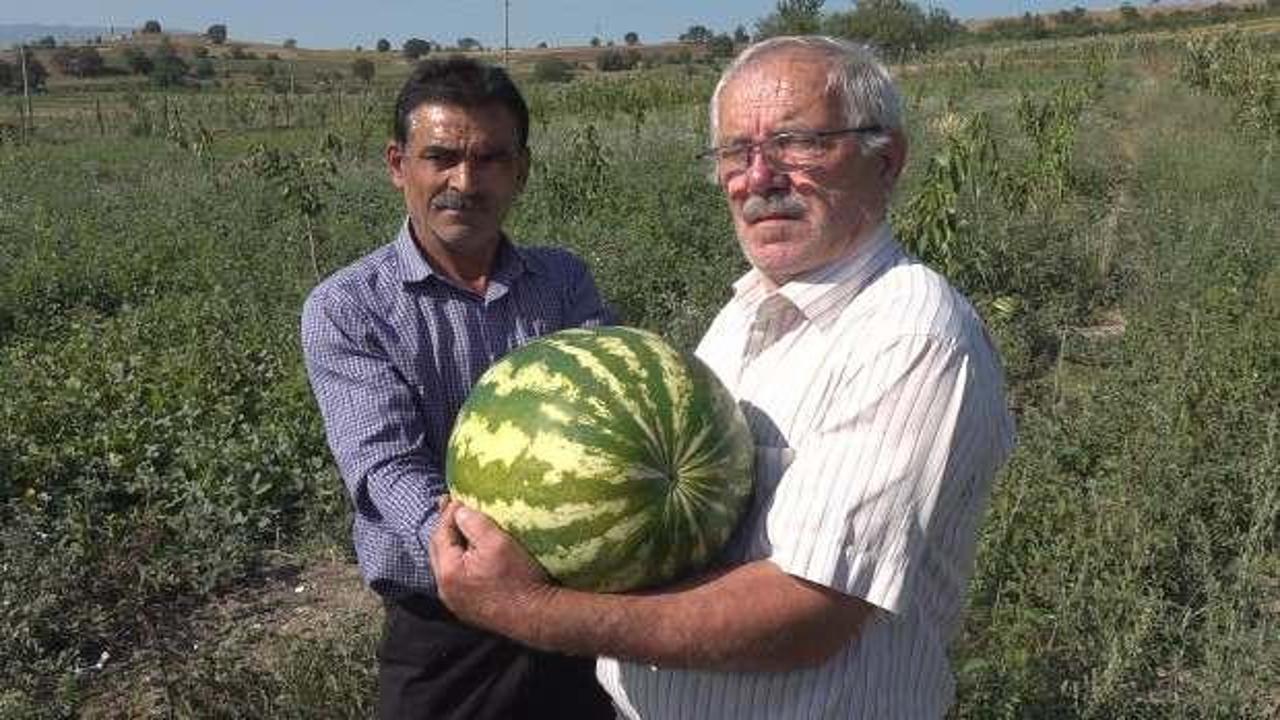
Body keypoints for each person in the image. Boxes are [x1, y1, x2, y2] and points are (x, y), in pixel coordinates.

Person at [429, 36, 1017, 719]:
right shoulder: (746, 313)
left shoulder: (909, 333)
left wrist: (532, 609)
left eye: (797, 143)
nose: (758, 177)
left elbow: (806, 611)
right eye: (735, 152)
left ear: (885, 160)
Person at [300, 57, 616, 720]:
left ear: (521, 170)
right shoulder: (349, 307)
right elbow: (385, 462)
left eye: (491, 159)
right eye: (440, 156)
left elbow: (607, 411)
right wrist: (479, 558)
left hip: (572, 602)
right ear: (397, 164)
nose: (464, 182)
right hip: (444, 628)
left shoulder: (562, 281)